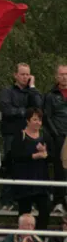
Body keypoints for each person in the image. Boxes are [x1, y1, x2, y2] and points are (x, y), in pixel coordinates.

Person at [0, 62, 43, 211]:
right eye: (22, 74)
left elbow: (38, 107)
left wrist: (32, 88)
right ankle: (7, 200)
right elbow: (7, 110)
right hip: (12, 133)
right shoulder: (7, 91)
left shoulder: (32, 92)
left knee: (30, 166)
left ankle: (29, 200)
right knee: (10, 165)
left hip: (30, 135)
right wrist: (25, 112)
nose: (25, 77)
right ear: (15, 75)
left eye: (27, 74)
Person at [11, 108, 52, 230]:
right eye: (35, 119)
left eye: (39, 120)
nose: (38, 122)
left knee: (45, 211)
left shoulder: (45, 135)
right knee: (24, 212)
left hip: (41, 181)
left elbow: (52, 157)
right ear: (28, 121)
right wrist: (34, 156)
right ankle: (23, 238)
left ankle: (40, 238)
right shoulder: (20, 135)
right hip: (25, 181)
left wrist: (45, 153)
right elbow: (14, 156)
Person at [43, 64, 67, 213]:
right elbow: (47, 116)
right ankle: (58, 200)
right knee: (60, 168)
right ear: (56, 77)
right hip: (59, 136)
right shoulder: (51, 95)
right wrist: (56, 134)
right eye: (62, 74)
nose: (65, 77)